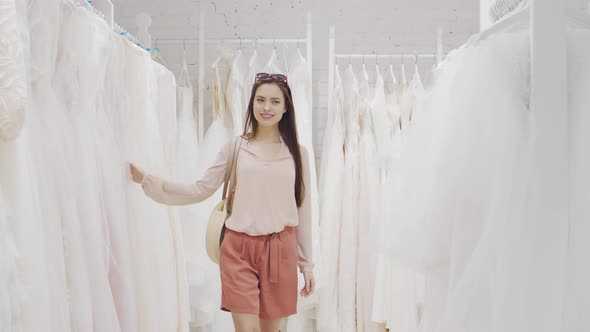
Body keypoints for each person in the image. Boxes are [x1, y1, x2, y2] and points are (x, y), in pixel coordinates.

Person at [130, 72, 315, 332]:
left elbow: (303, 210)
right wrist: (148, 180)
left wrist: (306, 264)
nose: (266, 107)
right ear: (252, 104)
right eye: (260, 100)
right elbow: (200, 189)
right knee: (246, 329)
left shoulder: (298, 154)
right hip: (239, 250)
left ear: (286, 108)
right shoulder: (236, 147)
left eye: (275, 101)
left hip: (280, 251)